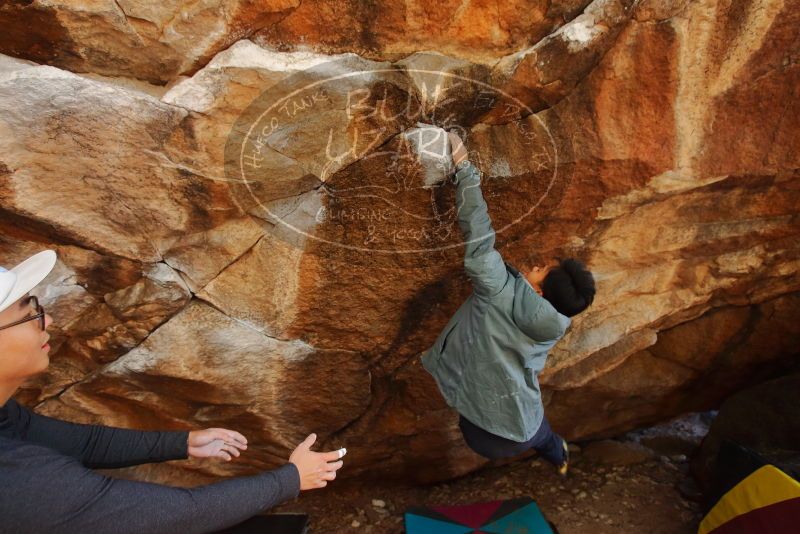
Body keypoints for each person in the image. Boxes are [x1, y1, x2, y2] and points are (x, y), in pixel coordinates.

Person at [0, 250, 346, 533]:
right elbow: (175, 518)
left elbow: (83, 443)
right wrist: (291, 479)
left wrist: (182, 443)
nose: (47, 322)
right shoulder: (16, 479)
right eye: (29, 313)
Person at [421, 132, 596, 476]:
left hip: (487, 436)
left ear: (542, 294)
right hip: (527, 421)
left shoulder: (498, 289)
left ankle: (553, 449)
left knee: (514, 419)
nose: (533, 266)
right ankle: (558, 456)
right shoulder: (556, 323)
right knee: (538, 433)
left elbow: (479, 234)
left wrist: (464, 168)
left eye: (540, 270)